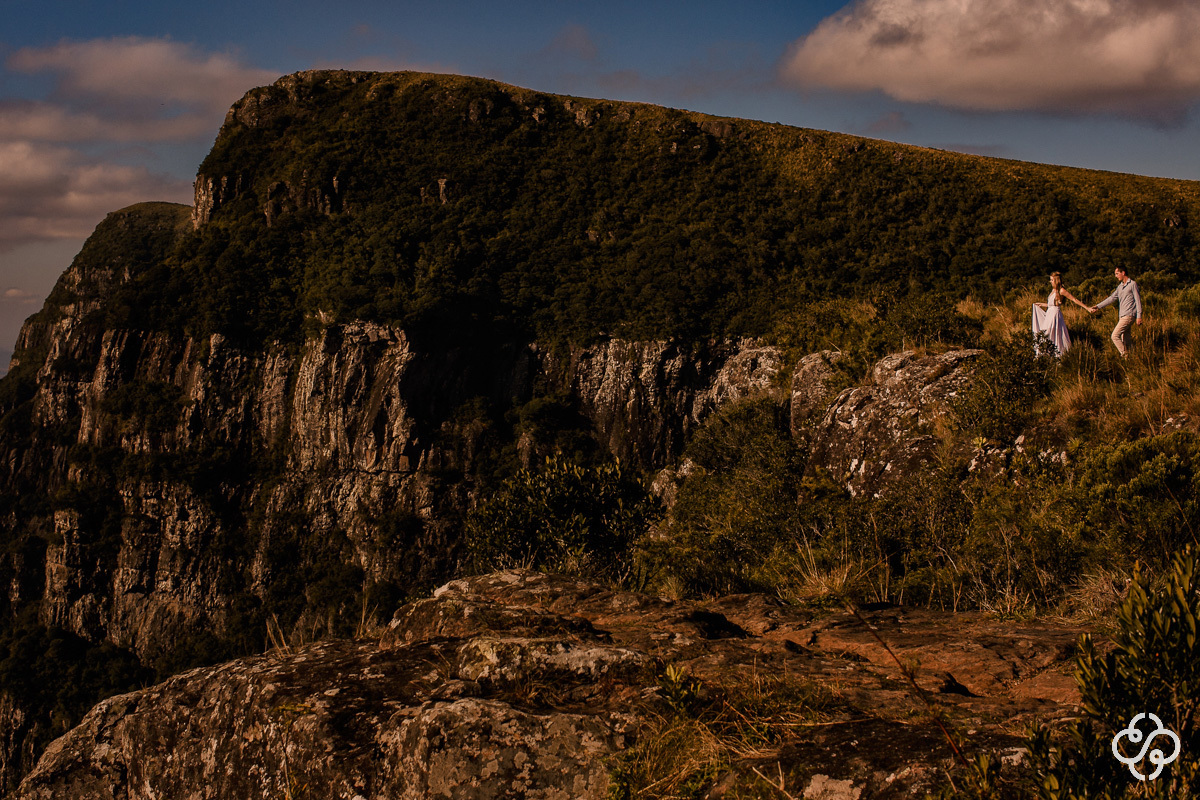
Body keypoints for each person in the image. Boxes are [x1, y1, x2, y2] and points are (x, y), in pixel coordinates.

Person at [1089, 267, 1143, 358]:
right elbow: (1111, 298)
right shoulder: (1120, 287)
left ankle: (1125, 355)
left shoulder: (1132, 284)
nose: (1116, 276)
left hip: (1129, 315)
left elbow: (1138, 301)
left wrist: (1139, 316)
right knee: (1126, 339)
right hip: (1122, 316)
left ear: (1123, 273)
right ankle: (1133, 359)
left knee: (1114, 336)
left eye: (1117, 273)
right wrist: (1098, 306)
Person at [1032, 272, 1089, 357]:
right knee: (1046, 334)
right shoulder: (1053, 290)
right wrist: (1041, 304)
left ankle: (1056, 355)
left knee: (1051, 334)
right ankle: (1047, 355)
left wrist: (1087, 308)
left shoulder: (1061, 290)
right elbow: (1051, 305)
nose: (1050, 282)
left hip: (1054, 315)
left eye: (1052, 280)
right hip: (1049, 314)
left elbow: (1074, 299)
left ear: (1056, 281)